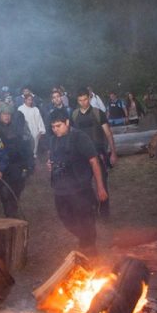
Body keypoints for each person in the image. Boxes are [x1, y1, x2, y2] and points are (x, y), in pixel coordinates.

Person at [48, 109, 108, 256]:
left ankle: (90, 250)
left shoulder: (80, 137)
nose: (55, 129)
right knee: (66, 219)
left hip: (81, 189)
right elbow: (53, 158)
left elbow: (94, 161)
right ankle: (85, 241)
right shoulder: (53, 140)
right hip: (61, 189)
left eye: (58, 126)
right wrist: (50, 165)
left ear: (67, 122)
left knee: (86, 220)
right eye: (53, 127)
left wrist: (100, 187)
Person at [70, 88, 117, 218]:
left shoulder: (98, 113)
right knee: (84, 184)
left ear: (89, 98)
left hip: (98, 154)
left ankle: (105, 213)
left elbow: (108, 134)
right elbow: (71, 135)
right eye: (80, 100)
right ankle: (93, 207)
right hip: (81, 156)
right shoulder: (74, 115)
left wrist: (113, 152)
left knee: (102, 183)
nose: (83, 102)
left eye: (85, 99)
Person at [0, 102, 33, 218]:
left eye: (8, 114)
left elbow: (24, 147)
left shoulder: (16, 128)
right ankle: (9, 214)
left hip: (17, 166)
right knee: (5, 192)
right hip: (3, 167)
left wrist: (28, 164)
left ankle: (13, 212)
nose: (7, 116)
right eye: (4, 114)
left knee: (17, 190)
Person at [17, 93, 46, 159]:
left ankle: (34, 156)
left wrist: (41, 130)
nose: (30, 101)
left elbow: (39, 119)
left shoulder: (35, 109)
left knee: (34, 146)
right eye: (28, 99)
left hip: (35, 130)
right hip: (25, 131)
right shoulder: (20, 109)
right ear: (25, 100)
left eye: (31, 100)